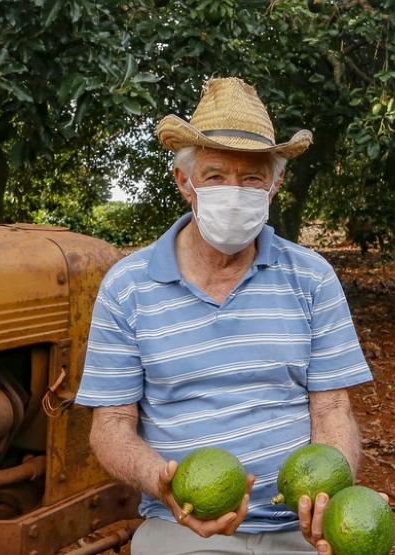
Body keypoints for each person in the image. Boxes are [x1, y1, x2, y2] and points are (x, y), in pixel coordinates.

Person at [74, 77, 374, 555]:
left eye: (252, 177)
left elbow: (332, 408)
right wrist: (161, 480)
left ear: (274, 184)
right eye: (215, 175)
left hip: (299, 528)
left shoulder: (312, 278)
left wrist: (325, 497)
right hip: (184, 524)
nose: (234, 191)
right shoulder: (127, 287)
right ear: (184, 182)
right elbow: (110, 424)